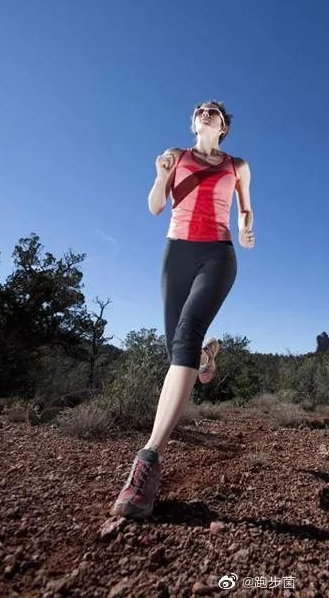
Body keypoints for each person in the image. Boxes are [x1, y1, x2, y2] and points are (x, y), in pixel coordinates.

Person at [111, 100, 254, 518]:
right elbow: (156, 206)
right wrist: (160, 174)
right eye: (200, 109)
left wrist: (247, 227)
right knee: (177, 351)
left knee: (187, 332)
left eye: (214, 110)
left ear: (223, 126)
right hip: (177, 253)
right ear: (194, 122)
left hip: (218, 254)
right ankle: (206, 358)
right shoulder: (175, 156)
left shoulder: (238, 165)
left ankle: (148, 461)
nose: (206, 111)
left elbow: (245, 205)